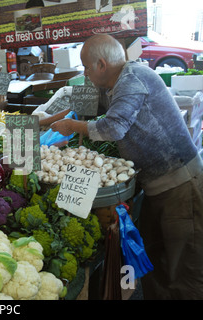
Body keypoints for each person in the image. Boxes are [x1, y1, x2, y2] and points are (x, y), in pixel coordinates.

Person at [44, 33, 203, 299]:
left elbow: (114, 127)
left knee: (183, 269)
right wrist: (47, 121)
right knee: (154, 260)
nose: (84, 72)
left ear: (101, 65)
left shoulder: (132, 81)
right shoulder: (116, 84)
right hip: (157, 186)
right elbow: (88, 109)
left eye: (85, 66)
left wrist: (75, 127)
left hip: (179, 187)